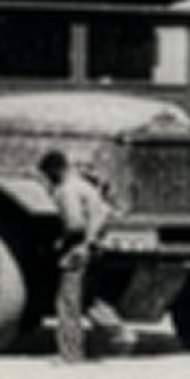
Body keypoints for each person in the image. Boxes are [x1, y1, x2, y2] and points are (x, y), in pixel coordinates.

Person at [39, 148, 115, 363]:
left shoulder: (66, 190)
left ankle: (71, 354)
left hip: (77, 250)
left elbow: (74, 224)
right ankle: (120, 334)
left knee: (68, 302)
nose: (48, 180)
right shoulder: (85, 186)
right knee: (88, 299)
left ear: (55, 170)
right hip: (95, 247)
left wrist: (60, 242)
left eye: (48, 174)